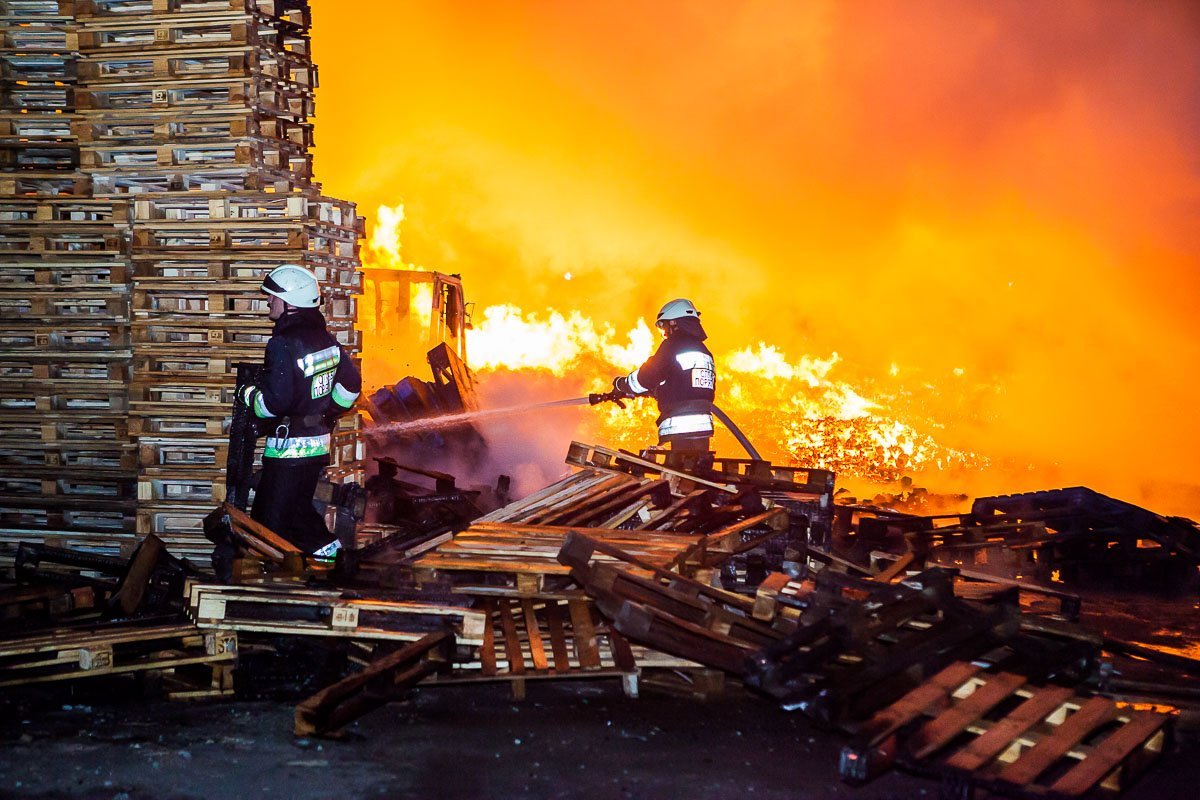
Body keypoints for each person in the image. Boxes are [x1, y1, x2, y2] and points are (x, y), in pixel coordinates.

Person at [237, 265, 361, 559]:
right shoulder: (326, 340)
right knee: (297, 516)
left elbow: (273, 405)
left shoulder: (283, 343)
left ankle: (281, 578)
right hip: (316, 447)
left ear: (290, 303)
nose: (268, 301)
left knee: (269, 523)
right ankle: (337, 561)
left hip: (288, 451)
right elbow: (351, 387)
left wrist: (247, 394)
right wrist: (326, 413)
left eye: (273, 296)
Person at [611, 298, 716, 452]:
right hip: (703, 428)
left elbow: (646, 377)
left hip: (680, 425)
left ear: (673, 322)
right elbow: (687, 385)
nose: (664, 333)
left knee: (679, 466)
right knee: (695, 465)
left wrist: (621, 384)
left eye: (663, 326)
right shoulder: (704, 351)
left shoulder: (673, 345)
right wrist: (657, 391)